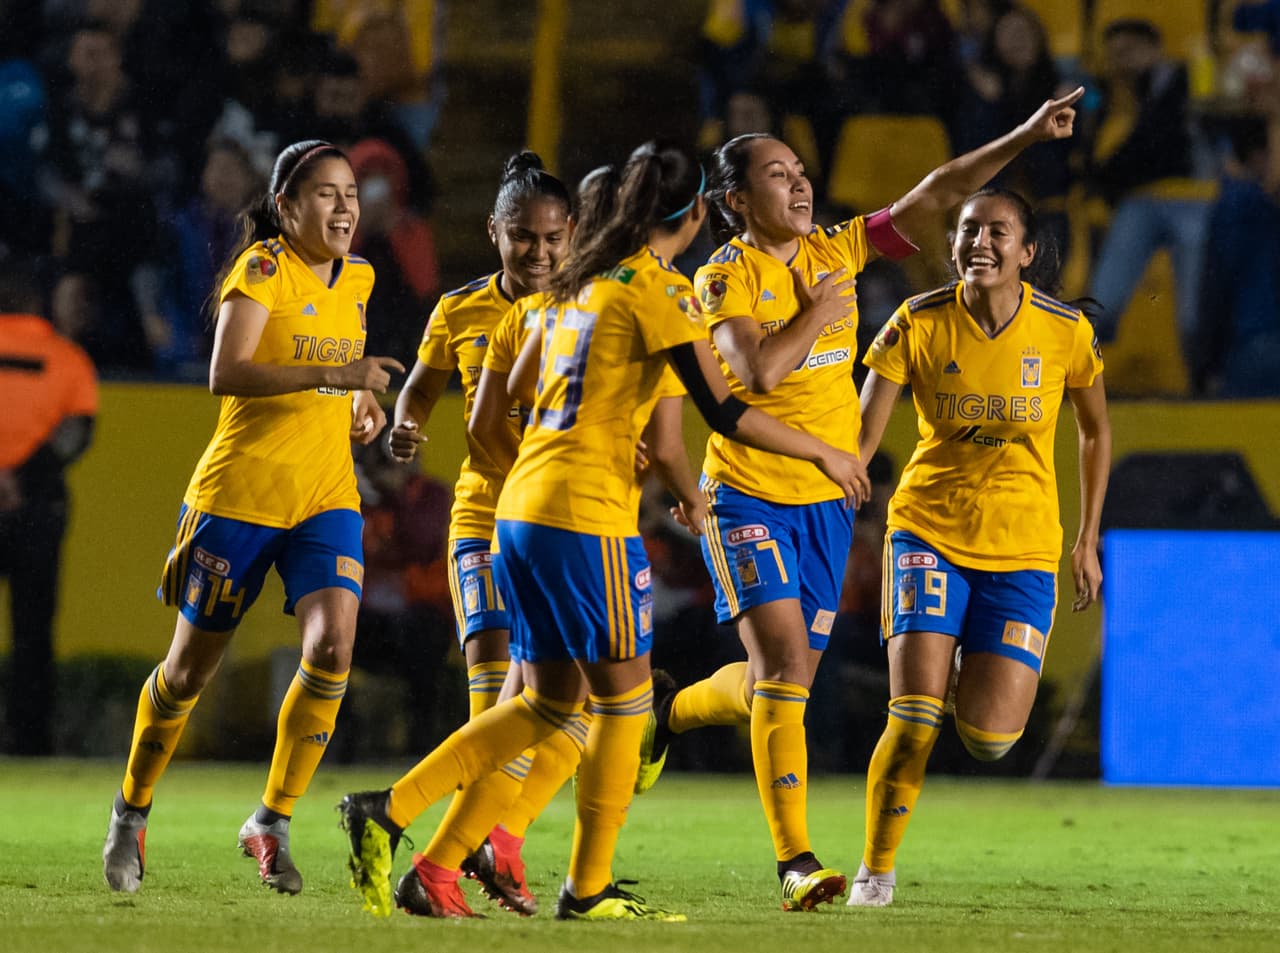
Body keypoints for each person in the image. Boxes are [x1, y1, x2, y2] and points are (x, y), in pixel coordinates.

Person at [336, 139, 869, 922]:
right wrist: (808, 453)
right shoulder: (663, 292)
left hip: (516, 510)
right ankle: (584, 885)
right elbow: (718, 413)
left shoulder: (564, 293)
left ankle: (400, 821)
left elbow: (497, 408)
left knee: (551, 702)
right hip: (589, 517)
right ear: (695, 215)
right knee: (623, 703)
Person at [636, 87, 1086, 911]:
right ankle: (796, 861)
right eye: (778, 175)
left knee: (781, 680)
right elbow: (757, 372)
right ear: (736, 202)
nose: (800, 184)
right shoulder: (724, 276)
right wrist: (818, 312)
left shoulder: (835, 249)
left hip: (826, 502)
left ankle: (669, 707)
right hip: (747, 494)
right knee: (783, 671)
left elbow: (939, 191)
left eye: (800, 170)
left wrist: (1024, 135)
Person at [101, 139, 404, 896]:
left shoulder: (359, 276)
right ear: (285, 206)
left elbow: (339, 368)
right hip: (240, 496)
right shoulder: (263, 268)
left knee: (333, 646)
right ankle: (131, 810)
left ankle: (272, 819)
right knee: (186, 673)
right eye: (326, 193)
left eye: (351, 194)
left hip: (325, 495)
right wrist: (338, 372)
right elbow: (226, 371)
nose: (344, 207)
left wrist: (360, 401)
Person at [848, 186, 1111, 906]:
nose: (980, 243)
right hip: (928, 531)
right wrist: (829, 481)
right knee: (913, 717)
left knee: (992, 739)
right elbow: (861, 439)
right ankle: (875, 872)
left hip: (1022, 546)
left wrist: (1087, 538)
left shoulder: (1064, 331)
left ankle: (963, 657)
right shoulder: (916, 321)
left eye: (998, 232)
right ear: (952, 243)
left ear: (1027, 251)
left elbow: (1095, 430)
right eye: (968, 230)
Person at [375, 150, 573, 917]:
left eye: (552, 238)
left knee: (580, 713)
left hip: (567, 529)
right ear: (494, 231)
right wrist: (405, 425)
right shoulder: (460, 310)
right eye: (523, 236)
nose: (538, 252)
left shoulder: (591, 308)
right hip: (486, 523)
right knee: (495, 709)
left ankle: (494, 845)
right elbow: (420, 388)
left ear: (572, 233)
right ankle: (442, 863)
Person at [0, 258, 98, 756]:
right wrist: (21, 478)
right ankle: (30, 740)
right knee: (33, 629)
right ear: (37, 305)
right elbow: (74, 434)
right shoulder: (66, 358)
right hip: (37, 507)